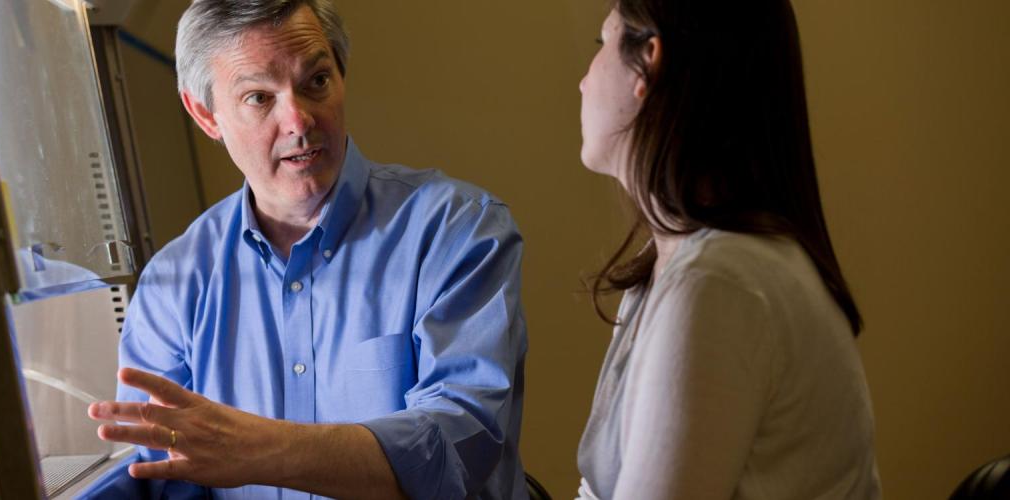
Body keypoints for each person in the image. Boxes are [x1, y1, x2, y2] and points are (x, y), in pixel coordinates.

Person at [85, 1, 527, 499]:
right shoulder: (175, 282)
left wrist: (257, 449)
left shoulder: (455, 229)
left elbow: (459, 443)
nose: (298, 120)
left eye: (315, 81)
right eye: (258, 97)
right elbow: (154, 475)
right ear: (206, 114)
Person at [574, 1, 880, 499]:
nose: (584, 81)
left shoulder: (718, 285)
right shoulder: (670, 267)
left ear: (649, 61)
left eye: (601, 42)